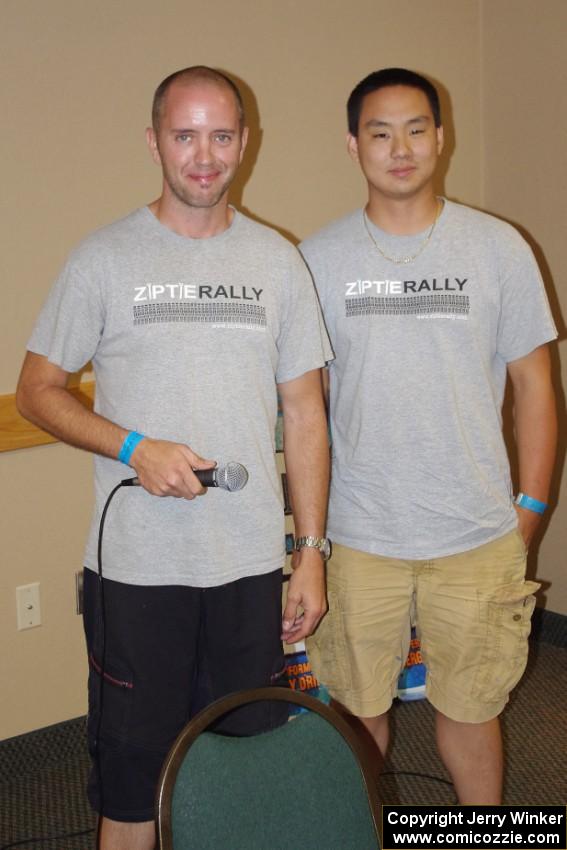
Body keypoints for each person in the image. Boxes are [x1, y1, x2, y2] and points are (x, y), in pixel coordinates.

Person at [16, 66, 332, 850]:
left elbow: (305, 413)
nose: (203, 155)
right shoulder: (103, 258)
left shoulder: (276, 261)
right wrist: (131, 445)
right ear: (153, 140)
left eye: (220, 135)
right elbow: (36, 391)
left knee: (245, 767)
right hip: (137, 575)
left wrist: (312, 553)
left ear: (244, 143)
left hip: (249, 568)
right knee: (134, 779)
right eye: (184, 134)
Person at [300, 67, 557, 805]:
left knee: (472, 715)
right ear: (353, 146)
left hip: (475, 533)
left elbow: (535, 387)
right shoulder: (316, 261)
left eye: (416, 128)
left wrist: (528, 513)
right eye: (380, 132)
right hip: (358, 536)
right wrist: (309, 544)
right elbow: (306, 410)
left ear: (440, 139)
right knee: (356, 720)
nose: (400, 147)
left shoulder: (497, 247)